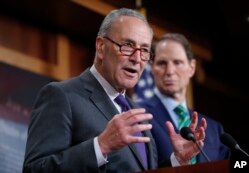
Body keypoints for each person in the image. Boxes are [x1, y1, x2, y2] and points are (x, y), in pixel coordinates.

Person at [23, 9, 207, 173]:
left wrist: (177, 160)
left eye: (144, 50)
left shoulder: (137, 113)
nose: (137, 58)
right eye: (127, 46)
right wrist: (100, 146)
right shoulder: (61, 96)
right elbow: (35, 169)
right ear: (101, 47)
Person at [138, 33, 230, 166]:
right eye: (162, 63)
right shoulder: (138, 114)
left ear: (192, 68)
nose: (170, 71)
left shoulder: (214, 130)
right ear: (152, 68)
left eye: (177, 62)